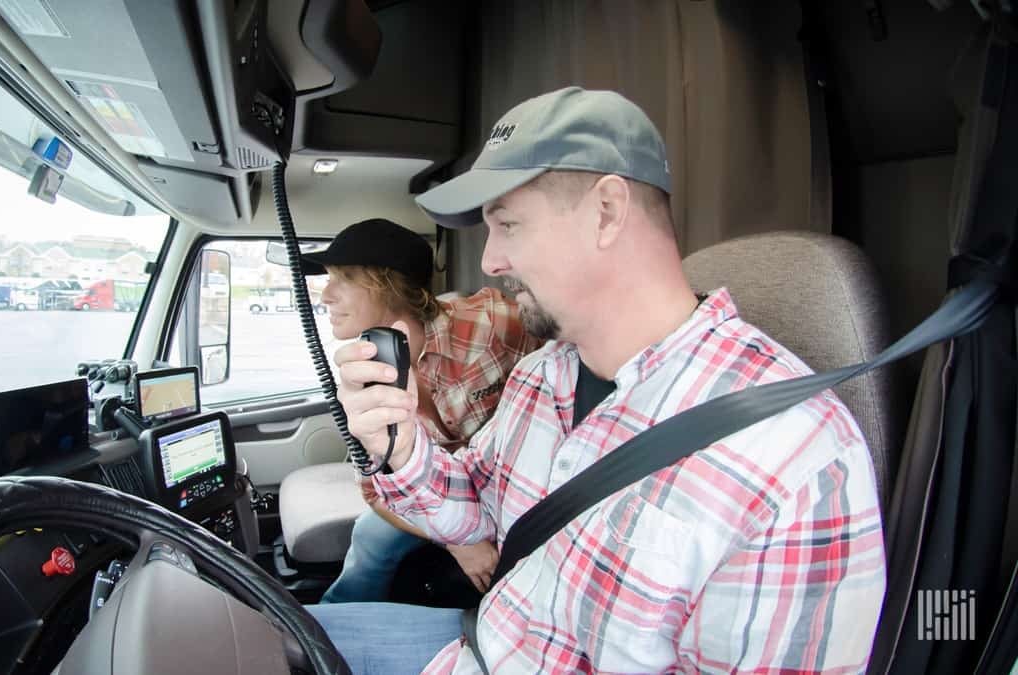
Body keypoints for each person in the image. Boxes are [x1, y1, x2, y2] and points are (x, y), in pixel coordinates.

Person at [307, 87, 887, 674]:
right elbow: (476, 505)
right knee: (277, 632)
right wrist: (400, 446)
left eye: (507, 223)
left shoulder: (795, 454)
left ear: (606, 212)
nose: (489, 261)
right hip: (485, 642)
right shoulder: (541, 375)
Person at [299, 218, 543, 603]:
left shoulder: (491, 322)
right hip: (434, 496)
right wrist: (458, 542)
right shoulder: (364, 373)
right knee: (368, 537)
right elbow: (376, 493)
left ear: (389, 284)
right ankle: (327, 632)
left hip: (511, 485)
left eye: (343, 276)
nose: (326, 294)